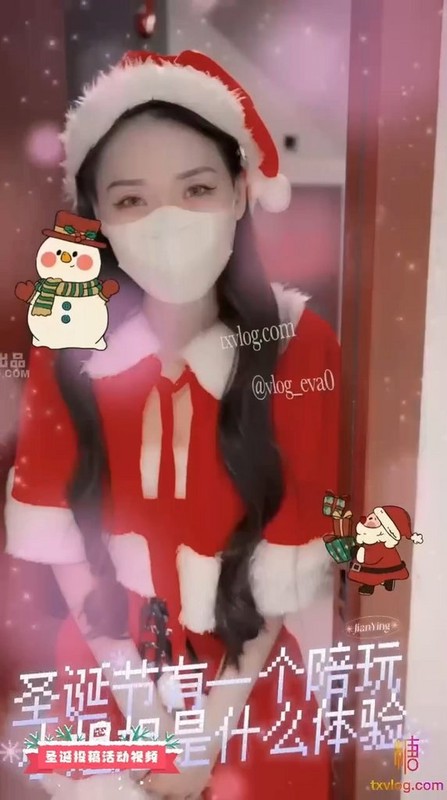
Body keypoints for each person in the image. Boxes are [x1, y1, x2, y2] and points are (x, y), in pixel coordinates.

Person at [5, 50, 340, 800]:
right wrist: (145, 715)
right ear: (98, 217)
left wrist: (201, 738)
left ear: (241, 192)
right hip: (108, 667)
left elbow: (286, 555)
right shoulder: (67, 343)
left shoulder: (299, 346)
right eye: (132, 199)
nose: (167, 221)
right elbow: (60, 537)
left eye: (197, 188)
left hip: (246, 679)